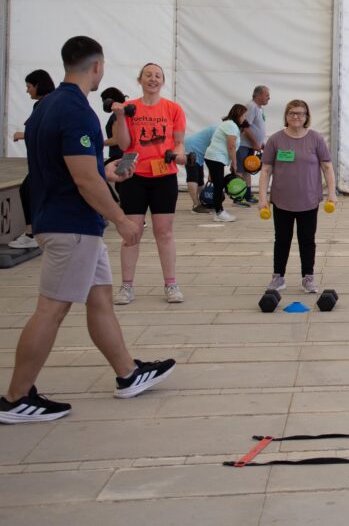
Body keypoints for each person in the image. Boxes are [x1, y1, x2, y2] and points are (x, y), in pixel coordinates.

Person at [0, 36, 175, 424]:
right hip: (72, 226)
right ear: (97, 66)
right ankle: (16, 398)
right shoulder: (77, 110)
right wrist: (121, 219)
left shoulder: (46, 107)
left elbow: (72, 167)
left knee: (100, 299)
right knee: (51, 309)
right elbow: (84, 179)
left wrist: (106, 171)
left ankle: (128, 373)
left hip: (68, 221)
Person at [111, 63, 186, 305]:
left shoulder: (173, 109)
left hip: (164, 177)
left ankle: (171, 285)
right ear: (140, 79)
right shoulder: (128, 108)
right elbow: (124, 145)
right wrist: (120, 116)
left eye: (157, 76)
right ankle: (126, 286)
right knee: (131, 233)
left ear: (162, 81)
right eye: (148, 75)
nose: (153, 79)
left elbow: (179, 143)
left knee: (164, 232)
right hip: (134, 177)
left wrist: (179, 155)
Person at [258, 99, 335, 294]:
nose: (296, 117)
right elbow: (266, 170)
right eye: (292, 113)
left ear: (306, 116)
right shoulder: (275, 140)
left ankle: (308, 277)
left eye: (300, 113)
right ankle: (278, 277)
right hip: (281, 200)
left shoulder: (316, 139)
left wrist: (332, 193)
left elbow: (327, 167)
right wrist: (262, 198)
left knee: (307, 240)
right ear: (286, 115)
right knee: (281, 239)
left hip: (309, 200)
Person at [9, 69, 56, 250]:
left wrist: (23, 134)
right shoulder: (51, 102)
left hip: (44, 163)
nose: (27, 90)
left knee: (27, 190)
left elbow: (43, 130)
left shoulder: (44, 105)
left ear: (38, 85)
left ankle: (31, 233)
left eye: (29, 86)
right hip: (46, 162)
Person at [204, 104, 250, 223]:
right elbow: (231, 146)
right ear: (238, 115)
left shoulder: (230, 124)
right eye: (244, 115)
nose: (244, 118)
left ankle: (218, 209)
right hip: (215, 158)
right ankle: (219, 212)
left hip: (215, 158)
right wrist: (234, 163)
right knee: (219, 185)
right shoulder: (231, 125)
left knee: (219, 184)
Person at [238, 85, 271, 206]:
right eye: (267, 95)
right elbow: (245, 126)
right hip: (244, 144)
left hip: (251, 145)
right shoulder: (251, 106)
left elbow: (256, 127)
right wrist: (254, 142)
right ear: (259, 95)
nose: (269, 97)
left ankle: (247, 194)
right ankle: (238, 196)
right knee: (239, 170)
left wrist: (260, 142)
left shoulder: (259, 108)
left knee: (248, 169)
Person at [184, 125, 216, 212]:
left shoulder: (220, 129)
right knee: (193, 177)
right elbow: (212, 154)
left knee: (200, 179)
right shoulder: (218, 131)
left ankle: (202, 202)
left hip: (198, 150)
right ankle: (196, 205)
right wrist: (211, 173)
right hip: (191, 148)